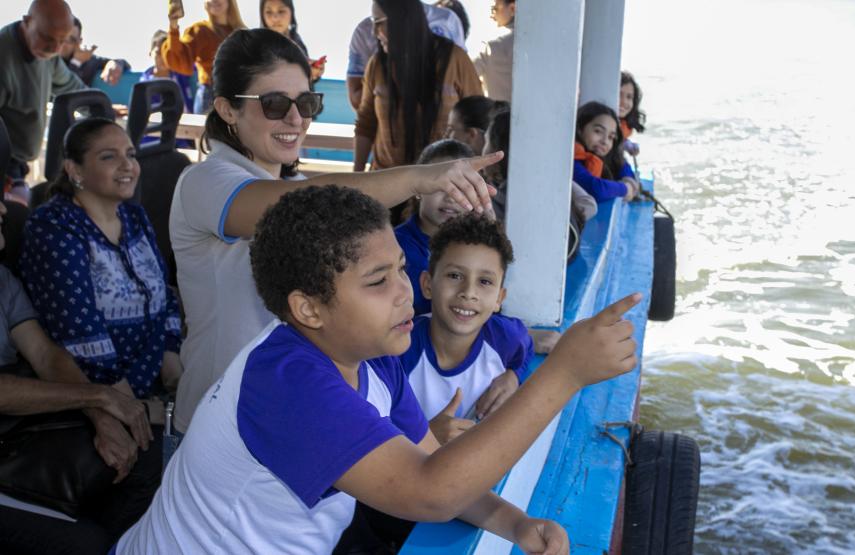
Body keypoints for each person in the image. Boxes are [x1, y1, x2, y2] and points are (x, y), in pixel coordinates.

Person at [114, 184, 642, 555]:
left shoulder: (374, 356)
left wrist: (514, 522)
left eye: (401, 269)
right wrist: (562, 376)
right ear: (308, 309)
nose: (404, 291)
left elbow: (434, 462)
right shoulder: (288, 383)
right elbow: (428, 490)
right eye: (377, 281)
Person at [168, 28, 500, 434]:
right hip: (221, 425)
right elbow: (299, 207)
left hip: (294, 417)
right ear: (227, 109)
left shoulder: (293, 185)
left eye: (306, 102)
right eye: (274, 104)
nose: (296, 119)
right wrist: (420, 178)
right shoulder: (204, 183)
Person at [0, 201, 159, 555]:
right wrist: (98, 397)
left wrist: (101, 415)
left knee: (148, 458)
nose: (3, 209)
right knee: (85, 543)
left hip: (15, 439)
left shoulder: (3, 281)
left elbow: (45, 354)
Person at [20, 118, 183, 404]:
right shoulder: (53, 227)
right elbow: (79, 330)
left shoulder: (134, 217)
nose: (127, 165)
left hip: (153, 389)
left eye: (131, 154)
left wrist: (175, 379)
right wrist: (132, 408)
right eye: (109, 157)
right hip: (94, 397)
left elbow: (165, 297)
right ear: (75, 170)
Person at [403, 212, 533, 445]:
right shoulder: (401, 350)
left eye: (485, 281)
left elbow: (525, 345)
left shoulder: (505, 337)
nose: (469, 292)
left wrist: (513, 376)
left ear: (499, 299)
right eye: (455, 276)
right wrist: (426, 437)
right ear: (427, 285)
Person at [354, 0, 483, 175]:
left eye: (379, 23)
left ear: (404, 19)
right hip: (386, 182)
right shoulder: (376, 64)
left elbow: (479, 120)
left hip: (443, 182)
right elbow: (365, 124)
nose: (374, 32)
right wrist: (356, 177)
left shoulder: (454, 60)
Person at [0, 0, 85, 200]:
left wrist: (97, 105)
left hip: (19, 163)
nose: (55, 48)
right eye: (47, 38)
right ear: (27, 22)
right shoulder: (3, 57)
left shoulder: (48, 54)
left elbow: (71, 86)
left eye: (63, 40)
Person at [396, 139, 473, 316]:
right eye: (441, 185)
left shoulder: (477, 247)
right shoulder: (395, 245)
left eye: (462, 188)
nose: (451, 197)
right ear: (418, 189)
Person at [346, 1, 466, 111]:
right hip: (387, 125)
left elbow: (463, 86)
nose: (375, 32)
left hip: (441, 124)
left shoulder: (447, 20)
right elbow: (356, 99)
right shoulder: (365, 31)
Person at [162, 0, 246, 114]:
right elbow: (178, 58)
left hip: (238, 96)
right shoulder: (200, 30)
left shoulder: (242, 33)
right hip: (210, 96)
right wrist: (173, 24)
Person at [573, 101, 639, 203]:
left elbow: (622, 166)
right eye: (598, 131)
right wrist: (625, 189)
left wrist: (629, 181)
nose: (605, 141)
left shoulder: (605, 157)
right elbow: (596, 189)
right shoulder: (572, 161)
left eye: (610, 137)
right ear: (580, 129)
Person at [260, 0, 325, 81]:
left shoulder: (296, 39)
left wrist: (313, 72)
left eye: (281, 11)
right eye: (269, 12)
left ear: (291, 12)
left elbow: (305, 76)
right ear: (262, 15)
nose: (275, 18)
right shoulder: (258, 44)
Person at [59, 17, 130, 87]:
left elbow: (122, 63)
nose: (63, 43)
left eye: (71, 39)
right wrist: (76, 62)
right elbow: (61, 88)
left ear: (79, 42)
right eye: (61, 37)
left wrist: (114, 64)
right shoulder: (51, 61)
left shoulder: (87, 61)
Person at [140, 30, 195, 113]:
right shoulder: (145, 84)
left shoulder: (181, 73)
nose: (163, 58)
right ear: (150, 53)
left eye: (167, 53)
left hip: (188, 119)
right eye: (159, 53)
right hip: (160, 121)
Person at [473, 0, 516, 102]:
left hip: (497, 110)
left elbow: (467, 75)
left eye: (494, 9)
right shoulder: (538, 41)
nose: (492, 16)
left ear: (512, 9)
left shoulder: (491, 44)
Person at [619, 70, 646, 156]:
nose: (624, 102)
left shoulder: (624, 125)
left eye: (629, 97)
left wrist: (626, 142)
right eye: (619, 95)